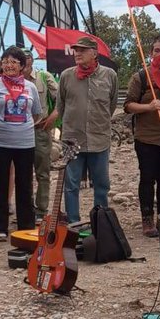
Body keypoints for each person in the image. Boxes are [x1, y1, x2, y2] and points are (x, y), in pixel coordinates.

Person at [124, 34, 160, 237]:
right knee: (147, 178)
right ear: (150, 53)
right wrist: (148, 106)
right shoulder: (141, 77)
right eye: (157, 50)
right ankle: (147, 219)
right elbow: (128, 105)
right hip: (147, 138)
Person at [0, 46, 40, 241]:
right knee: (1, 184)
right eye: (5, 62)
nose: (9, 65)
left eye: (14, 62)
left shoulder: (30, 87)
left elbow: (37, 113)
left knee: (25, 185)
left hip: (25, 143)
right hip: (0, 142)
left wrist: (23, 127)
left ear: (22, 66)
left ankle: (26, 227)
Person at [56, 36, 117, 224]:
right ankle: (74, 224)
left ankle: (100, 224)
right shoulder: (66, 75)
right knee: (71, 184)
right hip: (72, 141)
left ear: (95, 53)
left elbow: (111, 106)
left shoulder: (109, 76)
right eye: (76, 50)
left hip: (99, 140)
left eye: (83, 50)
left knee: (101, 185)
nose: (78, 53)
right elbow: (61, 105)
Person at [26, 54, 59, 217]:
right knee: (23, 173)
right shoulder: (11, 81)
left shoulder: (44, 77)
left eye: (27, 57)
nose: (24, 61)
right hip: (19, 132)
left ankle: (41, 208)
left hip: (40, 130)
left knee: (43, 172)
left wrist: (54, 116)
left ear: (32, 60)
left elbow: (61, 99)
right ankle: (24, 207)